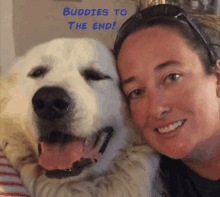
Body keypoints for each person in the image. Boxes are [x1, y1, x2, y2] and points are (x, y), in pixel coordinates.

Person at [113, 4, 220, 197]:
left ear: (218, 78)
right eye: (136, 92)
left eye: (172, 77)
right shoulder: (145, 179)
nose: (156, 109)